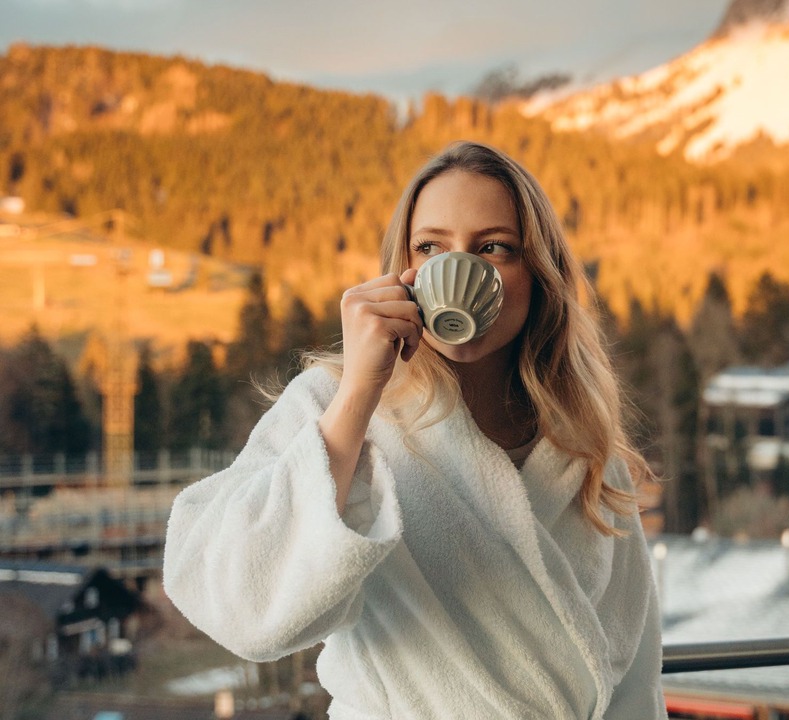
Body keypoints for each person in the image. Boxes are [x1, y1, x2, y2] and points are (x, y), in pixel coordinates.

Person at [163, 141, 667, 719]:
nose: (460, 268)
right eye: (431, 247)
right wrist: (357, 395)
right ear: (403, 269)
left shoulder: (582, 443)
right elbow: (239, 603)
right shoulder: (336, 405)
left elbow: (636, 675)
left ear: (538, 272)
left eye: (494, 247)